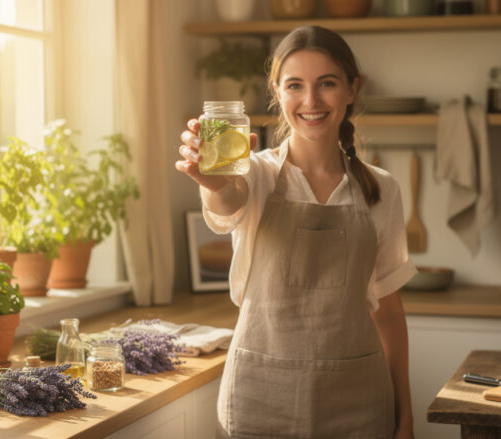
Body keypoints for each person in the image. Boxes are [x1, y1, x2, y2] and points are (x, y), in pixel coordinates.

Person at [176, 25, 417, 439]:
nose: (310, 101)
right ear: (277, 91)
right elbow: (228, 201)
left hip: (358, 400)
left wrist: (405, 415)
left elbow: (391, 314)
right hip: (259, 397)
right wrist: (213, 184)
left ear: (351, 89)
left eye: (327, 83)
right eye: (295, 85)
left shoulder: (382, 190)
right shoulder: (256, 172)